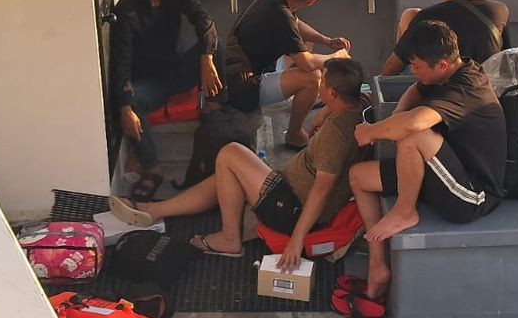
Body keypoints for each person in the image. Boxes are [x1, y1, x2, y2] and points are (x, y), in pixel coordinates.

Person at [111, 58, 368, 271]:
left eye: (323, 82)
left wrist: (296, 239)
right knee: (228, 172)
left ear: (332, 93)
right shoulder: (358, 107)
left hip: (291, 210)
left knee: (230, 153)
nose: (319, 84)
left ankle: (230, 238)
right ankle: (155, 211)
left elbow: (322, 188)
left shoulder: (337, 135)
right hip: (288, 190)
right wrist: (323, 113)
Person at [345, 21, 505, 311]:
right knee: (358, 177)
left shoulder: (467, 87)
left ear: (442, 64)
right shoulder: (447, 73)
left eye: (416, 66)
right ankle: (378, 265)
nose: (413, 71)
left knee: (413, 136)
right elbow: (416, 91)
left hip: (471, 194)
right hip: (440, 170)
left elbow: (417, 124)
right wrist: (393, 118)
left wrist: (371, 132)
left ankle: (405, 212)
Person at [111, 0, 224, 201]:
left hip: (176, 68)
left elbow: (203, 19)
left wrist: (206, 57)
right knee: (132, 105)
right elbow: (121, 63)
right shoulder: (127, 10)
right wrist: (124, 106)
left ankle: (215, 106)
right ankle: (152, 168)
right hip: (150, 81)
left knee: (215, 46)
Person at [224, 0, 351, 149]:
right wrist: (337, 56)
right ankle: (294, 135)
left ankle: (298, 98)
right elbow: (307, 64)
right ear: (312, 1)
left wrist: (327, 41)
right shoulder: (280, 17)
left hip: (236, 65)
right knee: (312, 77)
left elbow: (295, 24)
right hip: (242, 87)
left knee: (305, 44)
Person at [379, 0, 510, 75]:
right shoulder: (500, 11)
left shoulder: (426, 17)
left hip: (439, 88)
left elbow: (391, 68)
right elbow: (505, 59)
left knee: (410, 14)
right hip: (484, 85)